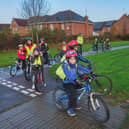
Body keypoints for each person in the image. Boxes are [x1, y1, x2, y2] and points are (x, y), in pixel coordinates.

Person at [57, 50, 91, 116]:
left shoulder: (75, 64)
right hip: (67, 82)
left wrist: (90, 72)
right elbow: (68, 74)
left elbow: (82, 68)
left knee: (81, 88)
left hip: (74, 80)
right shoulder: (65, 65)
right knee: (73, 94)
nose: (73, 61)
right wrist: (75, 80)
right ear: (68, 59)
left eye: (74, 59)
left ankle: (74, 103)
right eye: (71, 59)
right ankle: (70, 109)